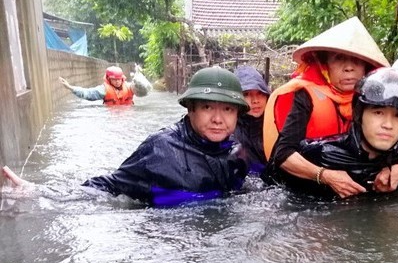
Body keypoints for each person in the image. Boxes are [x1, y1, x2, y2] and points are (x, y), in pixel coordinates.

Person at [4, 66, 251, 207]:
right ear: (191, 109)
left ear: (237, 114)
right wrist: (36, 191)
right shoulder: (162, 149)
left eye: (228, 109)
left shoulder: (237, 152)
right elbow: (109, 186)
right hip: (173, 248)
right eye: (208, 107)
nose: (218, 118)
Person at [262, 16, 398, 198]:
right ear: (325, 64)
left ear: (366, 67)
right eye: (339, 59)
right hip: (310, 174)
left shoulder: (376, 97)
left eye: (356, 61)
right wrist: (325, 176)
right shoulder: (306, 95)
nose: (349, 68)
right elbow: (282, 154)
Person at [265, 68, 398, 197]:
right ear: (359, 114)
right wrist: (324, 176)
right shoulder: (322, 154)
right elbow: (275, 171)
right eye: (378, 113)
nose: (388, 125)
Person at [233, 65, 270, 175]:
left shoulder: (277, 123)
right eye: (246, 94)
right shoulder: (228, 130)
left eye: (260, 93)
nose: (255, 101)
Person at [59, 65, 149, 106]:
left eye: (119, 79)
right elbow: (88, 93)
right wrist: (70, 87)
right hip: (111, 117)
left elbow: (141, 88)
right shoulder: (104, 90)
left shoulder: (130, 87)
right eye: (114, 79)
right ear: (109, 79)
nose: (117, 82)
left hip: (127, 116)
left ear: (122, 79)